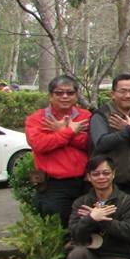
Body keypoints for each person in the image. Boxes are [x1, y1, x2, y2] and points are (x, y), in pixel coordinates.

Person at [25, 75, 91, 225]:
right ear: (50, 96)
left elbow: (91, 144)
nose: (65, 96)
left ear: (76, 95)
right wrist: (69, 132)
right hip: (53, 186)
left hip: (85, 184)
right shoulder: (37, 119)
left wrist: (62, 132)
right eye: (59, 93)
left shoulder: (85, 116)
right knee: (59, 231)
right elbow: (39, 144)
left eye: (70, 93)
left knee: (87, 228)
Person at [89, 73, 130, 202]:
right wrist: (128, 130)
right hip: (105, 187)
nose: (128, 95)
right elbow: (101, 144)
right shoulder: (101, 115)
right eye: (123, 91)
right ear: (112, 94)